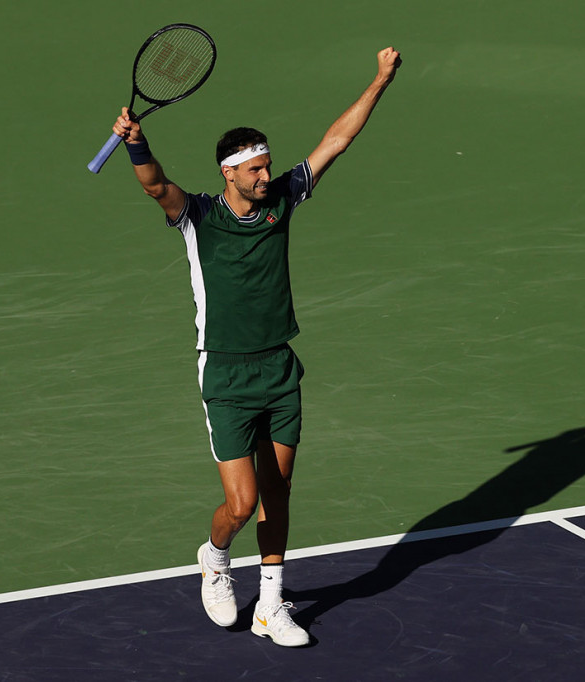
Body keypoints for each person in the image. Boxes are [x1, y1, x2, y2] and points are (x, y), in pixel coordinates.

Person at [108, 47, 402, 647]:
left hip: (279, 368)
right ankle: (215, 558)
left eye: (269, 167)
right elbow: (155, 184)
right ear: (229, 174)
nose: (268, 177)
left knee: (278, 493)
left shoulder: (283, 201)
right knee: (240, 507)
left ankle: (271, 605)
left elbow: (335, 142)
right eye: (256, 171)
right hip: (226, 375)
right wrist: (136, 144)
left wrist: (378, 80)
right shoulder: (196, 216)